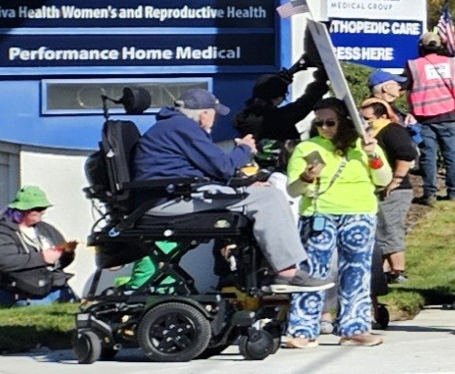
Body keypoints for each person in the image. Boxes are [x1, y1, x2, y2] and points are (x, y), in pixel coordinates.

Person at [133, 86, 327, 290]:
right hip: (167, 200)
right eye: (214, 114)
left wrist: (247, 185)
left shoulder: (172, 127)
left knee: (263, 193)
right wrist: (245, 148)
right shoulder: (184, 128)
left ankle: (270, 269)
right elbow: (223, 167)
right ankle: (287, 273)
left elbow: (208, 171)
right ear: (204, 114)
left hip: (171, 195)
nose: (215, 120)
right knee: (269, 198)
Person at [284, 99, 391, 347]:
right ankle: (303, 330)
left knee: (357, 271)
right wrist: (306, 177)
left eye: (330, 122)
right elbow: (293, 190)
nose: (324, 128)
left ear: (343, 121)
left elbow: (383, 178)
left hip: (359, 212)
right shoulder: (306, 148)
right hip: (318, 214)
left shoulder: (362, 145)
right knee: (312, 272)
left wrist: (373, 153)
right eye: (319, 123)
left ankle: (355, 328)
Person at [367, 99, 424, 317]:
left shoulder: (392, 131)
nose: (365, 122)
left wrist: (396, 180)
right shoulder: (369, 134)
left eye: (368, 118)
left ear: (382, 115)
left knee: (390, 228)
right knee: (381, 230)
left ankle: (397, 271)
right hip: (378, 190)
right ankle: (382, 272)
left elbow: (407, 154)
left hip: (396, 190)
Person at [0, 188, 77, 304]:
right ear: (21, 210)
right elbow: (2, 261)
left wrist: (67, 254)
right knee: (43, 307)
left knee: (73, 305)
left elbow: (60, 264)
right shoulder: (0, 232)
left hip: (46, 284)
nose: (42, 212)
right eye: (37, 208)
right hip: (9, 288)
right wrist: (42, 258)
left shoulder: (46, 229)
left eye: (44, 208)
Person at [406, 33, 455, 202]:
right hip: (448, 115)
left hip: (425, 117)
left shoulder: (414, 65)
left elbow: (405, 85)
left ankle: (430, 193)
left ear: (421, 47)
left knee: (428, 156)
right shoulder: (451, 63)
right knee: (451, 156)